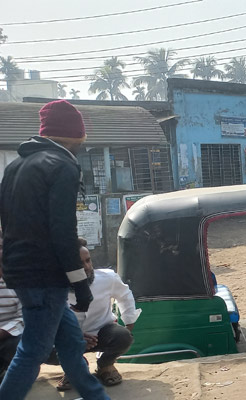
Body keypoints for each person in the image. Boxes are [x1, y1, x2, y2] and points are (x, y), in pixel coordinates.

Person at [0, 100, 108, 399]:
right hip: (44, 276)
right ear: (76, 137)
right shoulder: (63, 165)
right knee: (32, 351)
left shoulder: (16, 167)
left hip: (20, 272)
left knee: (71, 344)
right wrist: (80, 285)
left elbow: (8, 224)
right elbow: (62, 231)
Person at [56, 238, 140, 390]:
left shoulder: (107, 278)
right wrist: (74, 337)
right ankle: (74, 366)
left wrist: (129, 321)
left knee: (123, 337)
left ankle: (105, 365)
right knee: (44, 347)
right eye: (79, 264)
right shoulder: (52, 288)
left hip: (103, 335)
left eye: (88, 261)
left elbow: (125, 295)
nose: (87, 267)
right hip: (68, 340)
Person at [0, 230, 23, 384]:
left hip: (7, 338)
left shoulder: (18, 280)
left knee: (21, 343)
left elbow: (24, 316)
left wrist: (3, 332)